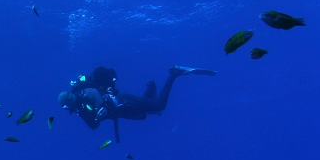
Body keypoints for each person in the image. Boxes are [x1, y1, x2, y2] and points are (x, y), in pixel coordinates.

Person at [58, 65, 216, 142]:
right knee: (145, 113)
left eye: (67, 104)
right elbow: (93, 125)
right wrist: (95, 117)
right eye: (66, 107)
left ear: (70, 98)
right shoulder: (79, 108)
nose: (69, 107)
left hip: (123, 102)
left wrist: (100, 109)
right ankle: (151, 86)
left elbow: (95, 95)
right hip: (122, 111)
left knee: (159, 106)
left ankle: (174, 73)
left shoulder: (83, 94)